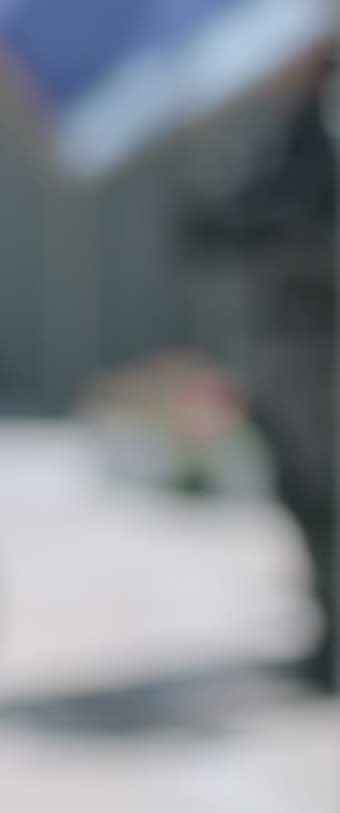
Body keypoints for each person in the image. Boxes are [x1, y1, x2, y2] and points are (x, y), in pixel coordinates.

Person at [178, 49, 340, 695]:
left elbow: (275, 220)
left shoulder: (321, 134)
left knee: (321, 492)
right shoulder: (288, 138)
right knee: (305, 491)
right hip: (290, 341)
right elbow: (216, 224)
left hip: (314, 344)